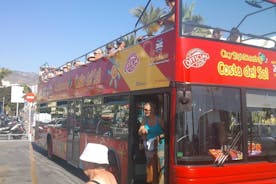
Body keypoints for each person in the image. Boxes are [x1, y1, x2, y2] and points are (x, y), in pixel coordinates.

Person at [138, 102, 164, 184]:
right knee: (149, 167)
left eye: (146, 110)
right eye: (144, 110)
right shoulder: (144, 119)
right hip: (148, 148)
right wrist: (142, 131)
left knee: (158, 167)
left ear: (152, 110)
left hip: (159, 146)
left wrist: (159, 136)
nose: (145, 111)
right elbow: (139, 132)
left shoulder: (158, 119)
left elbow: (167, 130)